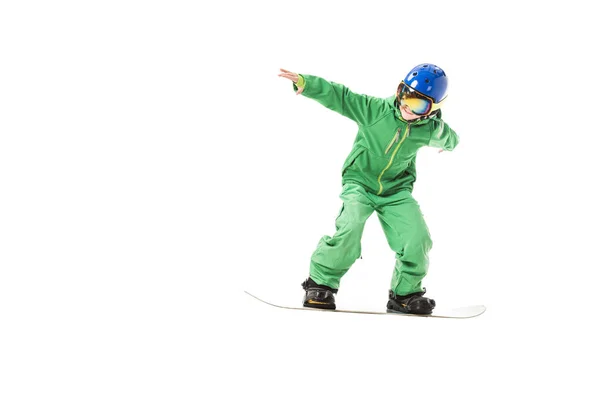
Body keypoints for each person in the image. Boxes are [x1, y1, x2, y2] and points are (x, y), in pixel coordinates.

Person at [278, 64, 459, 314]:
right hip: (359, 184)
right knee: (351, 226)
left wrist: (447, 143)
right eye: (404, 95)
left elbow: (449, 137)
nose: (406, 106)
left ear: (432, 110)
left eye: (418, 105)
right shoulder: (375, 110)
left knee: (417, 237)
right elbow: (341, 97)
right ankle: (321, 283)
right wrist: (307, 83)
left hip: (396, 192)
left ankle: (404, 293)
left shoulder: (429, 128)